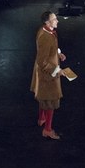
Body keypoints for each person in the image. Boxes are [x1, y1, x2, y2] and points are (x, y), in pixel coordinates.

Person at [30, 11, 67, 140]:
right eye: (54, 19)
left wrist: (58, 54)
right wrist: (57, 71)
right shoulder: (45, 37)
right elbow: (42, 61)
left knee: (44, 97)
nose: (57, 21)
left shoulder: (45, 31)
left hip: (45, 72)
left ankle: (41, 118)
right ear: (47, 22)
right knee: (51, 100)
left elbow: (49, 49)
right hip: (48, 74)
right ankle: (47, 129)